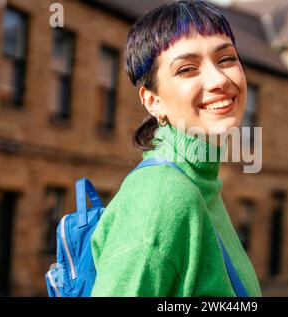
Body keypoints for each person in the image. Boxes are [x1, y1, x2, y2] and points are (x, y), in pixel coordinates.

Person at [90, 0, 262, 297]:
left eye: (226, 59)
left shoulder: (202, 182)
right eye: (187, 69)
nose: (219, 80)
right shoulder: (162, 196)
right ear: (153, 100)